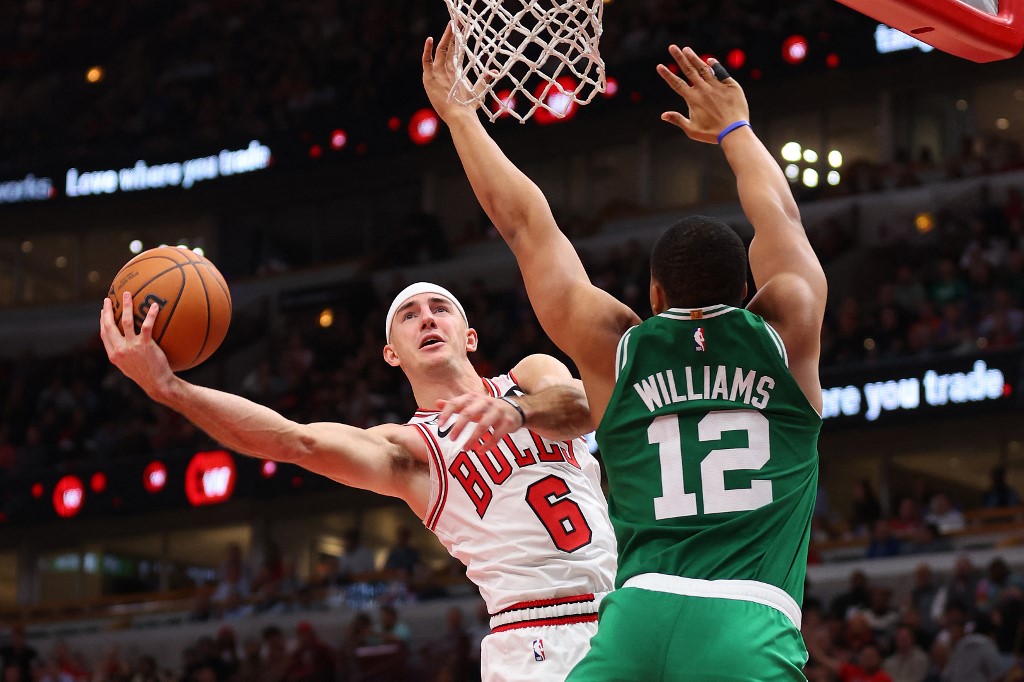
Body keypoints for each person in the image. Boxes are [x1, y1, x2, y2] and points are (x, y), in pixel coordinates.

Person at [423, 26, 825, 679]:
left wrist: (461, 116)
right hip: (747, 622)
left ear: (655, 294)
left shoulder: (617, 348)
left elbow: (526, 227)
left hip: (637, 619)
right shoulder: (788, 327)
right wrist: (736, 130)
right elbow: (782, 217)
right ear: (748, 290)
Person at [99, 280, 616, 682]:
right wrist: (170, 389)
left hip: (625, 602)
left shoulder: (531, 375)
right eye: (408, 316)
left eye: (440, 308)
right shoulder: (411, 452)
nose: (426, 318)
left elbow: (587, 404)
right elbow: (294, 441)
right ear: (392, 354)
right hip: (535, 635)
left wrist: (516, 411)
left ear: (469, 335)